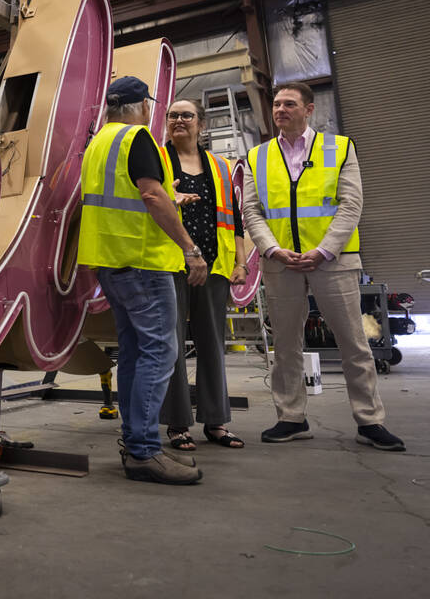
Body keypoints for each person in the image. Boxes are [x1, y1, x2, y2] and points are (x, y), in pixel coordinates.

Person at [240, 82, 403, 451]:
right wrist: (273, 250)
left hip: (334, 262)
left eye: (289, 104)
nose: (280, 109)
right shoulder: (256, 157)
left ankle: (369, 422)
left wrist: (324, 250)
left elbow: (351, 205)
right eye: (276, 104)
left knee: (354, 344)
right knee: (285, 347)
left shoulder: (339, 148)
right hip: (281, 264)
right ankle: (291, 418)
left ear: (309, 109)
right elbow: (251, 211)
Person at [78, 76, 209, 484]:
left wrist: (169, 196)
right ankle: (144, 451)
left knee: (135, 352)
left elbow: (129, 195)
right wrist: (190, 249)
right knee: (160, 353)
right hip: (142, 261)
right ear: (143, 106)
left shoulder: (98, 143)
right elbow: (150, 196)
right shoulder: (138, 138)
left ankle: (136, 440)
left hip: (111, 261)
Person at [160, 100, 249, 451]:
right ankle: (177, 424)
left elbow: (236, 220)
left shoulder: (222, 167)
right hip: (170, 264)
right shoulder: (157, 160)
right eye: (172, 116)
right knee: (172, 345)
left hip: (213, 266)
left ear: (201, 123)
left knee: (213, 344)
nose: (179, 120)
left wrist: (240, 263)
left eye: (186, 115)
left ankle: (216, 421)